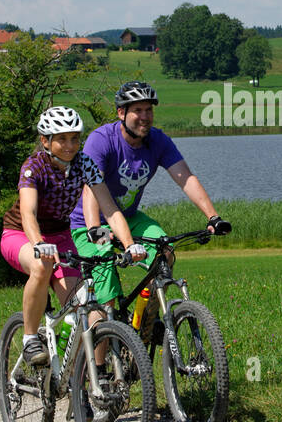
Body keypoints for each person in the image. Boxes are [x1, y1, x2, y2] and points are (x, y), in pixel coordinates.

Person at [0, 106, 145, 371]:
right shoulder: (33, 167)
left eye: (75, 138)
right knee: (41, 266)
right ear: (46, 141)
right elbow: (28, 214)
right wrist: (38, 244)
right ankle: (30, 338)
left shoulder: (84, 165)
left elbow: (109, 208)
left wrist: (129, 244)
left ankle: (76, 384)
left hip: (60, 235)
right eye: (62, 138)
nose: (70, 145)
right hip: (20, 234)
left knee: (84, 308)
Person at [70, 81, 230, 316]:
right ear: (121, 113)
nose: (145, 117)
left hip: (129, 217)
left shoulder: (158, 140)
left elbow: (185, 178)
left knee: (165, 250)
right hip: (89, 223)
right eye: (138, 110)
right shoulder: (102, 139)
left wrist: (213, 217)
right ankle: (106, 341)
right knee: (107, 293)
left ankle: (145, 323)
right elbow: (91, 191)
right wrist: (97, 231)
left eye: (149, 110)